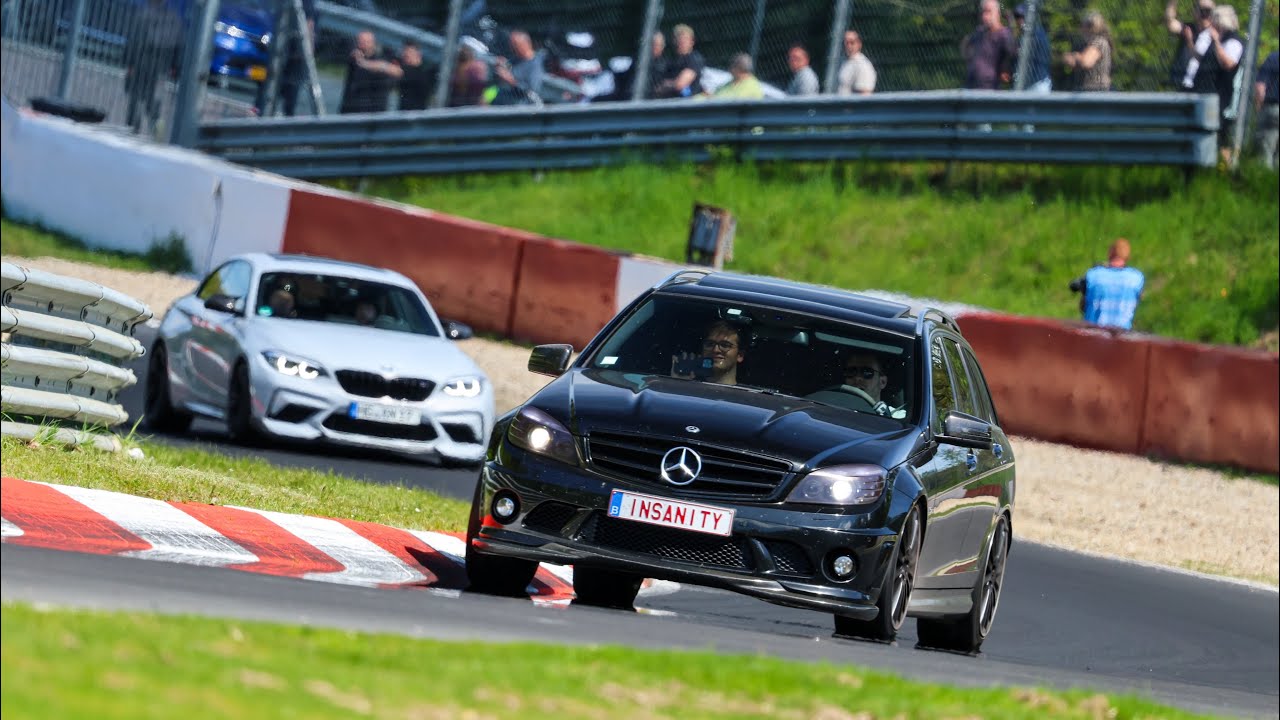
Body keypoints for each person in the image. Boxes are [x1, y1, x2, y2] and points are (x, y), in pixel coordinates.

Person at [1190, 6, 1244, 165]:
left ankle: (1223, 167)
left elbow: (1228, 63)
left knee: (1219, 133)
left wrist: (1216, 42)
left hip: (1220, 95)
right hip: (1204, 91)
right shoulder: (1215, 40)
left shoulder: (1233, 41)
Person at [124, 0, 182, 136]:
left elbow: (134, 40)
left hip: (140, 64)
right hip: (161, 68)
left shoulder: (142, 15)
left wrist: (129, 62)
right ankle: (157, 135)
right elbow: (179, 45)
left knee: (135, 101)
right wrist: (175, 67)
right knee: (155, 105)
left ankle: (131, 132)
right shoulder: (174, 19)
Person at [1069, 238, 1145, 331]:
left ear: (1110, 252)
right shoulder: (1136, 278)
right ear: (1127, 257)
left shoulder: (1094, 275)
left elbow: (1073, 286)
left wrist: (1100, 267)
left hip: (1093, 335)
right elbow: (1138, 299)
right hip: (1122, 336)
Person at [339, 30, 402, 114]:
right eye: (360, 41)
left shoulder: (383, 58)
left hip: (375, 112)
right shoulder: (354, 58)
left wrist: (365, 64)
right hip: (351, 110)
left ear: (373, 43)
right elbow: (352, 54)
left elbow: (398, 71)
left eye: (366, 41)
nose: (363, 44)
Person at [962, 0, 1015, 91]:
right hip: (970, 85)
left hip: (989, 88)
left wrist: (1005, 71)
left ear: (997, 14)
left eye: (989, 12)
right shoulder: (979, 33)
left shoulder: (1004, 35)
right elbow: (966, 47)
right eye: (983, 12)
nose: (985, 16)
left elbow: (1011, 57)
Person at [671, 320, 744, 385]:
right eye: (709, 344)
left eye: (725, 345)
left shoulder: (749, 396)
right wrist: (678, 384)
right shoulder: (690, 388)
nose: (715, 350)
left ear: (740, 355)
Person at [1168, 0, 1217, 91]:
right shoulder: (1189, 29)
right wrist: (1172, 2)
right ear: (1195, 11)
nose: (1205, 14)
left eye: (1208, 10)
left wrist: (1189, 41)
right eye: (1202, 10)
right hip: (1183, 82)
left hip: (1203, 85)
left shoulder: (1217, 34)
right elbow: (1171, 23)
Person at [1063, 10, 1113, 92]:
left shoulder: (1099, 42)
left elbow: (1086, 62)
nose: (1082, 29)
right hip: (1085, 89)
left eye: (1085, 26)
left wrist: (1075, 56)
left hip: (1096, 90)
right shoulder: (1085, 44)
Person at [491, 30, 545, 105]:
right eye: (511, 45)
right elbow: (496, 81)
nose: (512, 48)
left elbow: (531, 91)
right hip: (500, 104)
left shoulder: (535, 64)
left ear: (526, 44)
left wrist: (511, 81)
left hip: (518, 109)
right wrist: (499, 68)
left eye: (516, 45)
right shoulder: (514, 60)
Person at [656, 24, 705, 99]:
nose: (681, 42)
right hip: (667, 101)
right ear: (674, 41)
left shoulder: (694, 58)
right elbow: (657, 85)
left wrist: (666, 84)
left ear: (692, 41)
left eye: (685, 39)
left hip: (687, 102)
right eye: (679, 39)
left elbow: (680, 84)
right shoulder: (670, 60)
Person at [1012, 3, 1050, 94]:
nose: (1019, 20)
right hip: (1025, 84)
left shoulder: (1037, 33)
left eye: (1022, 16)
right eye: (1017, 17)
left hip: (1038, 84)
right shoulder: (1022, 35)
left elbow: (1025, 53)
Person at [1254, 50, 1279, 169]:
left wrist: (1259, 108)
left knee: (1266, 150)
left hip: (1273, 108)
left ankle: (1265, 181)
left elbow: (1260, 87)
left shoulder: (1273, 58)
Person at [396, 42, 435, 111]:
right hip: (404, 114)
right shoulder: (412, 71)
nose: (404, 55)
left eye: (408, 53)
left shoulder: (422, 73)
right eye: (404, 53)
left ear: (418, 54)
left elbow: (396, 71)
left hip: (415, 115)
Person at [837, 30, 876, 96]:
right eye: (846, 43)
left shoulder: (863, 65)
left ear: (859, 44)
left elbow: (865, 94)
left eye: (852, 42)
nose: (848, 46)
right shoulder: (845, 62)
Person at [644, 31, 670, 99]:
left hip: (656, 98)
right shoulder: (639, 62)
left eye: (659, 45)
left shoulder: (666, 64)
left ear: (663, 47)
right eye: (653, 44)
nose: (655, 47)